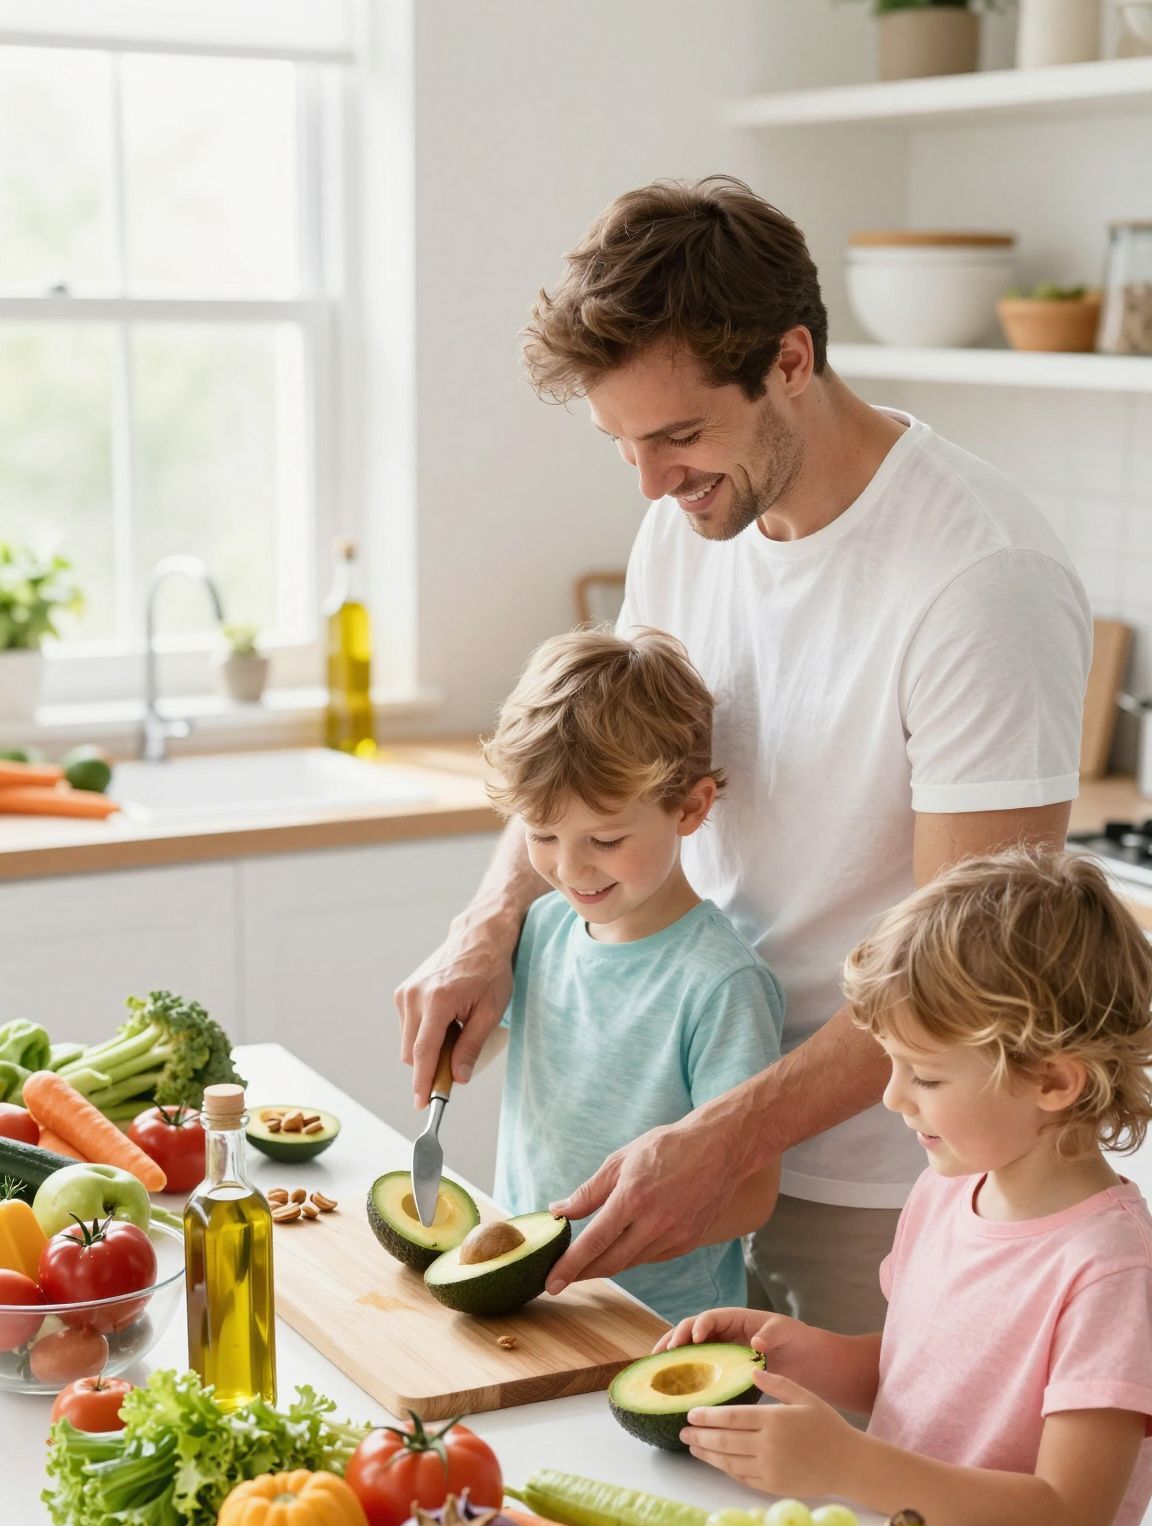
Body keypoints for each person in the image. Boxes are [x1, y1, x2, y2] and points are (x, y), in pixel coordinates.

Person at [396, 176, 1091, 1333]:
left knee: (845, 1510)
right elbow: (594, 767)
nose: (654, 482)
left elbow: (970, 962)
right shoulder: (690, 521)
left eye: (676, 435)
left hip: (879, 1179)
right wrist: (489, 923)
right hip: (677, 1143)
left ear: (791, 359)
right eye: (621, 443)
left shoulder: (980, 579)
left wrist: (726, 1136)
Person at [662, 848, 1152, 1526]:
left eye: (923, 1076)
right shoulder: (945, 1191)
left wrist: (851, 1466)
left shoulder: (1107, 1270)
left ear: (1054, 1083)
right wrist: (804, 1354)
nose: (892, 1098)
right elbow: (921, 1369)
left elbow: (1067, 1521)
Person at [476, 624, 783, 1325]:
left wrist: (604, 1244)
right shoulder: (544, 929)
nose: (571, 868)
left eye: (606, 840)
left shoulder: (721, 984)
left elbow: (752, 1195)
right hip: (534, 1303)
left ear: (691, 807)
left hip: (662, 1324)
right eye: (543, 836)